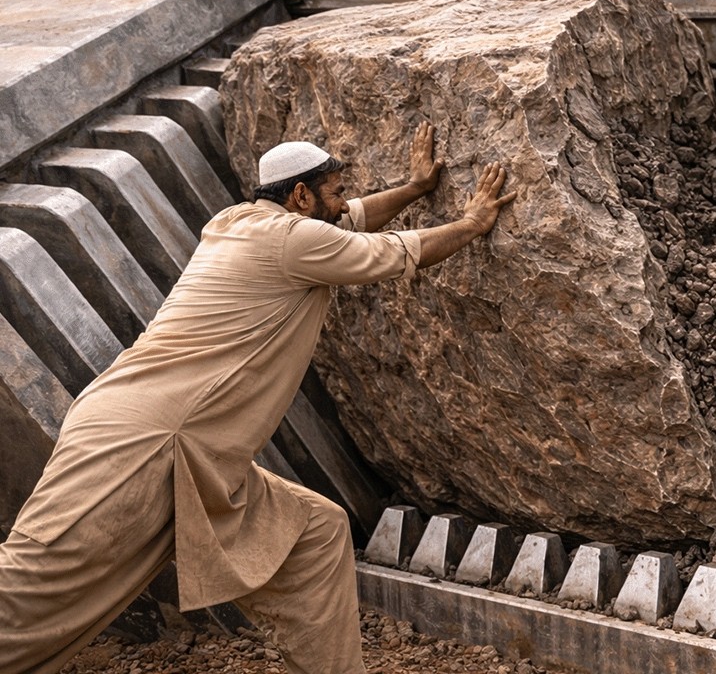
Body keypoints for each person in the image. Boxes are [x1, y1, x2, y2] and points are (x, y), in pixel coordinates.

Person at [0, 122, 513, 673]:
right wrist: (472, 222)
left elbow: (355, 222)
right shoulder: (295, 240)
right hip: (140, 443)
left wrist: (413, 190)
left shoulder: (237, 222)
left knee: (314, 536)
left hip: (189, 448)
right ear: (299, 196)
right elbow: (395, 252)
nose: (345, 204)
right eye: (336, 191)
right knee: (28, 593)